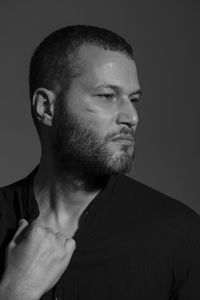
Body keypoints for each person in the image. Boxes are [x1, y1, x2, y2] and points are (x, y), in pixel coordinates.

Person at [0, 25, 200, 300]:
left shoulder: (181, 235)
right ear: (46, 107)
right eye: (107, 96)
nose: (132, 117)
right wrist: (16, 291)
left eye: (134, 99)